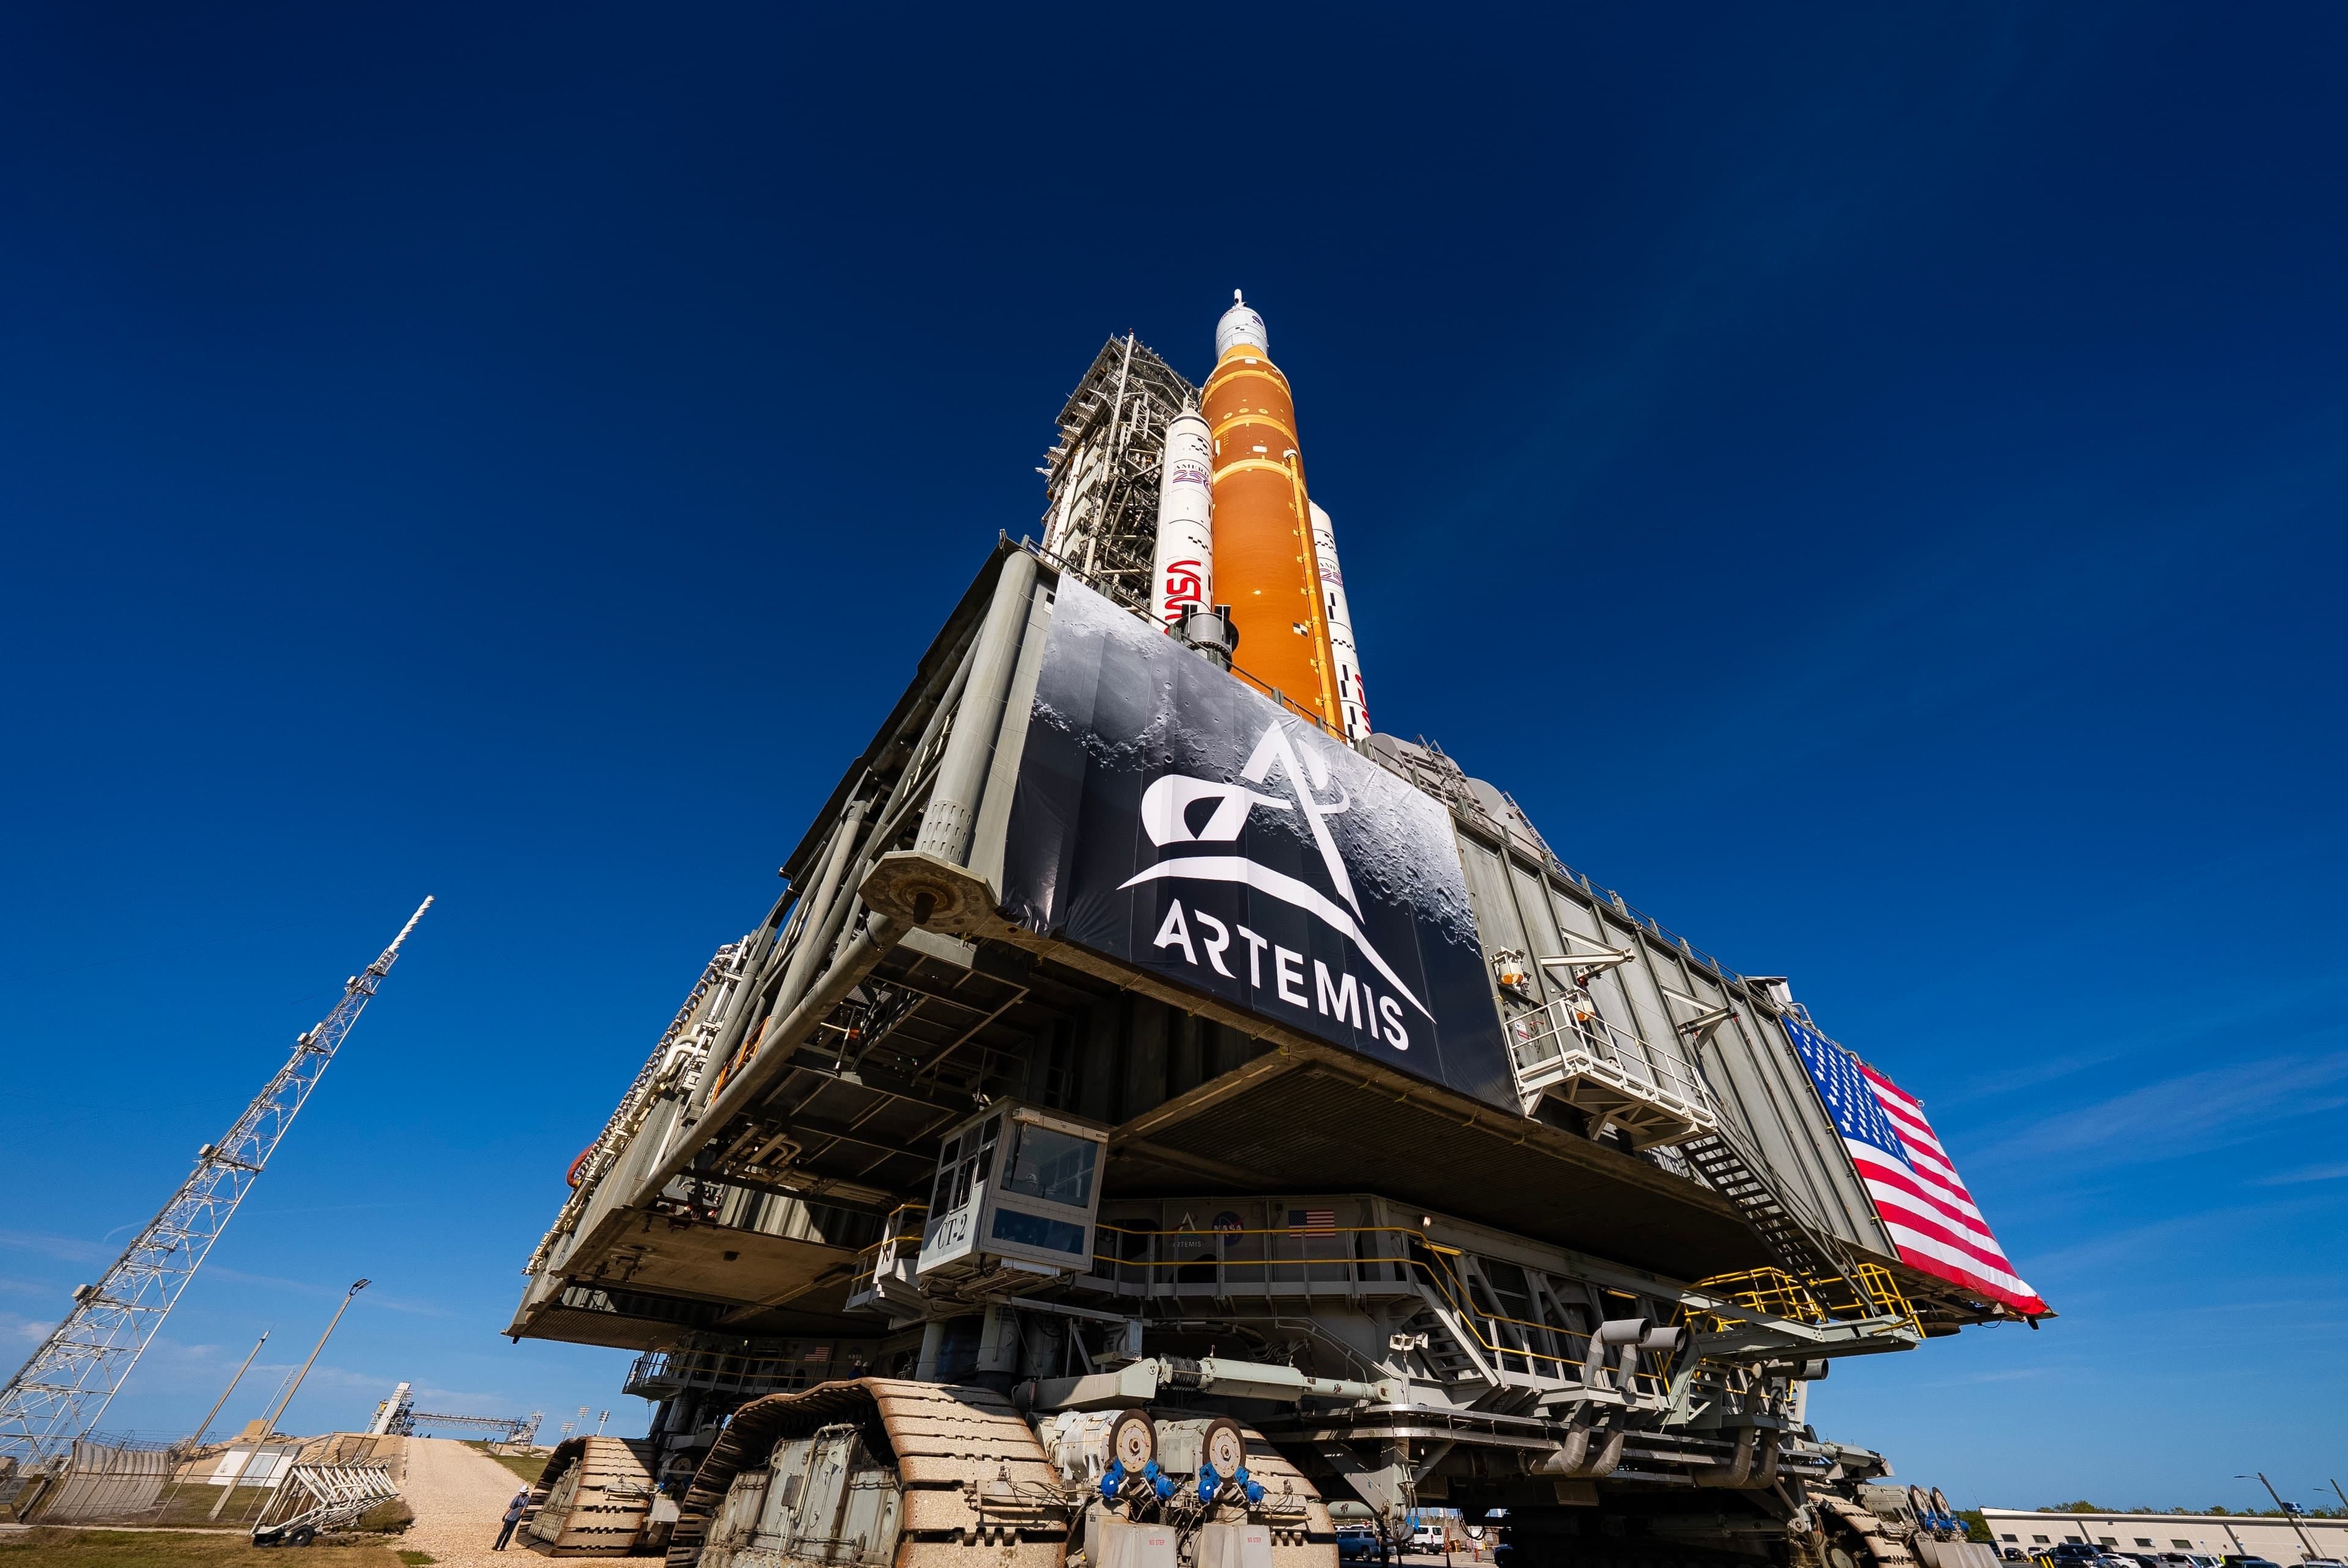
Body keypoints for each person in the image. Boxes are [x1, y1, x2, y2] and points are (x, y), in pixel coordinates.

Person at [494, 1487, 531, 1551]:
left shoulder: (527, 1498)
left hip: (515, 1519)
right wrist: (504, 1515)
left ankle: (503, 1546)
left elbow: (524, 1508)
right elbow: (510, 1507)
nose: (521, 1494)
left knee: (509, 1533)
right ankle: (496, 1546)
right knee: (503, 1532)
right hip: (509, 1518)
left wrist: (520, 1516)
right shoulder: (517, 1497)